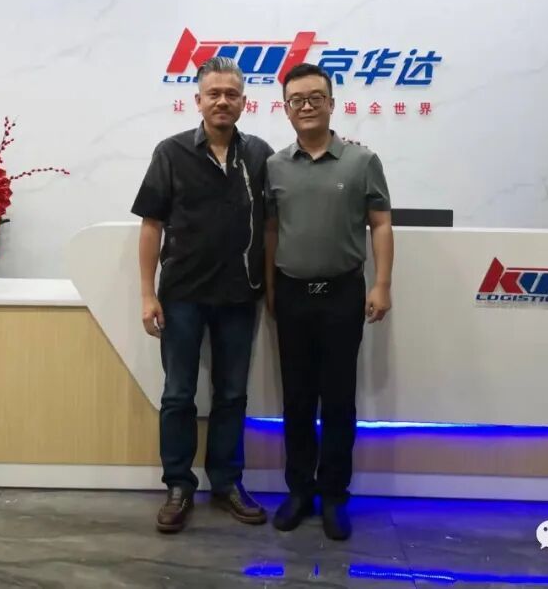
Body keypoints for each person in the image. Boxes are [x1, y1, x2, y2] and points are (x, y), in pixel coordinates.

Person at [131, 56, 273, 534]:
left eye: (231, 94)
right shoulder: (171, 153)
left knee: (232, 395)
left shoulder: (259, 155)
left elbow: (271, 226)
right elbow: (151, 226)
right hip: (182, 296)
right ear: (198, 100)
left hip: (239, 296)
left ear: (244, 102)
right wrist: (147, 294)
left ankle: (227, 482)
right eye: (214, 93)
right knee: (178, 394)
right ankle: (178, 485)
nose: (222, 101)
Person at [264, 62, 394, 541]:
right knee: (297, 399)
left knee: (338, 399)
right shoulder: (274, 166)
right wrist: (271, 288)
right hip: (292, 295)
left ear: (331, 103)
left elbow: (381, 223)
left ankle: (335, 494)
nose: (306, 106)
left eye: (315, 97)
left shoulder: (362, 161)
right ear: (286, 109)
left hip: (343, 294)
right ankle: (299, 491)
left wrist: (382, 285)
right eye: (296, 100)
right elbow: (271, 231)